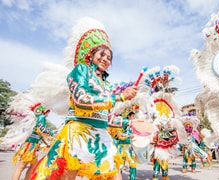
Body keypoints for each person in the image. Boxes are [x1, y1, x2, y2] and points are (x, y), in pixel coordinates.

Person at [30, 17, 138, 180]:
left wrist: (129, 123)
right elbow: (82, 99)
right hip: (79, 132)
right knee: (68, 175)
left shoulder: (107, 85)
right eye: (102, 54)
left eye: (109, 58)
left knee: (114, 175)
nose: (105, 59)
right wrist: (120, 96)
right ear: (91, 54)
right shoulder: (80, 71)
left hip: (102, 135)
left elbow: (107, 117)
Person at [12, 102, 56, 180]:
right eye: (48, 112)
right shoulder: (41, 117)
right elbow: (42, 130)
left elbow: (39, 133)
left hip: (32, 145)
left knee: (33, 166)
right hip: (30, 145)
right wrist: (52, 132)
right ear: (44, 111)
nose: (48, 115)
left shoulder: (37, 118)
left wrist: (46, 142)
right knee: (21, 167)